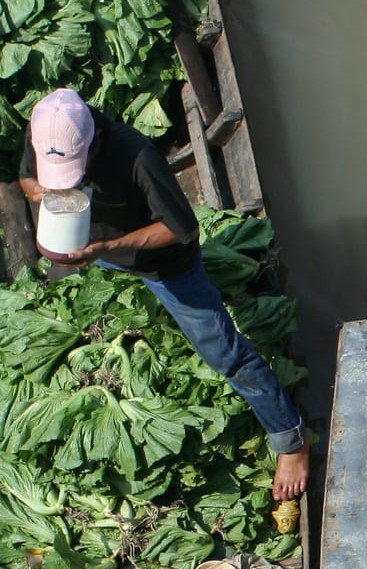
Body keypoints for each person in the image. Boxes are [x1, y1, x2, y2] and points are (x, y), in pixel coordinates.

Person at [19, 88, 308, 500]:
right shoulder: (49, 128)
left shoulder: (135, 156)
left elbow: (181, 228)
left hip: (164, 265)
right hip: (93, 247)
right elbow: (26, 175)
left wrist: (105, 249)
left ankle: (291, 439)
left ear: (93, 142)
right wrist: (40, 192)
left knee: (224, 352)